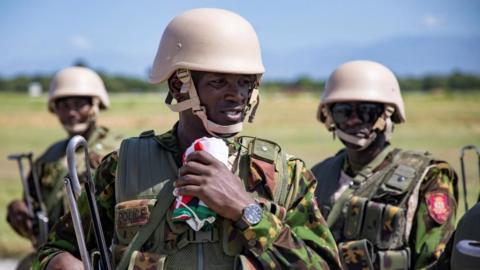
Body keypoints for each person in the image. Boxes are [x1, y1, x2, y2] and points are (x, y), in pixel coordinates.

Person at [34, 8, 341, 270]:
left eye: (245, 83)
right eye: (219, 82)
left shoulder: (283, 175)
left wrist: (246, 210)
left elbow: (324, 264)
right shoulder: (121, 168)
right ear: (179, 86)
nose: (236, 95)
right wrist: (60, 262)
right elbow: (54, 250)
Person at [311, 60, 458, 269]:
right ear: (329, 117)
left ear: (388, 114)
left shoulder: (427, 178)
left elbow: (435, 263)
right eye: (343, 112)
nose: (353, 120)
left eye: (366, 111)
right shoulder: (316, 176)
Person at [7, 66, 121, 270]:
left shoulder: (120, 151)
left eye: (79, 104)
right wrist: (18, 213)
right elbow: (32, 217)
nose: (71, 112)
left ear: (96, 104)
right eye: (64, 105)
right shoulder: (48, 158)